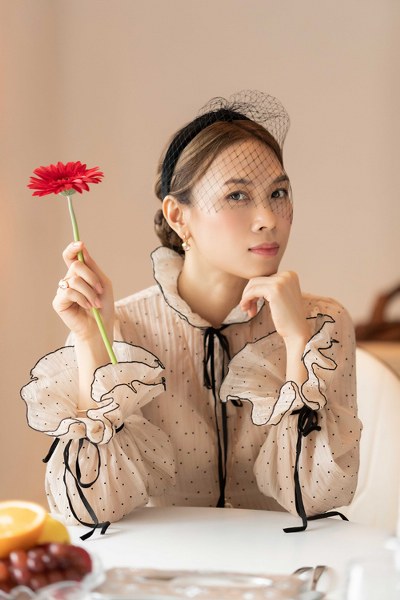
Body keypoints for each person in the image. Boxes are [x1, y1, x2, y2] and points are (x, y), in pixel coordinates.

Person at [21, 91, 361, 535]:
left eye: (278, 193)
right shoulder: (121, 327)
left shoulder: (322, 323)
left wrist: (297, 344)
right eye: (237, 195)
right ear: (178, 216)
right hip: (160, 568)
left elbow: (315, 499)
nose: (268, 218)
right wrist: (91, 342)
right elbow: (92, 509)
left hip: (285, 567)